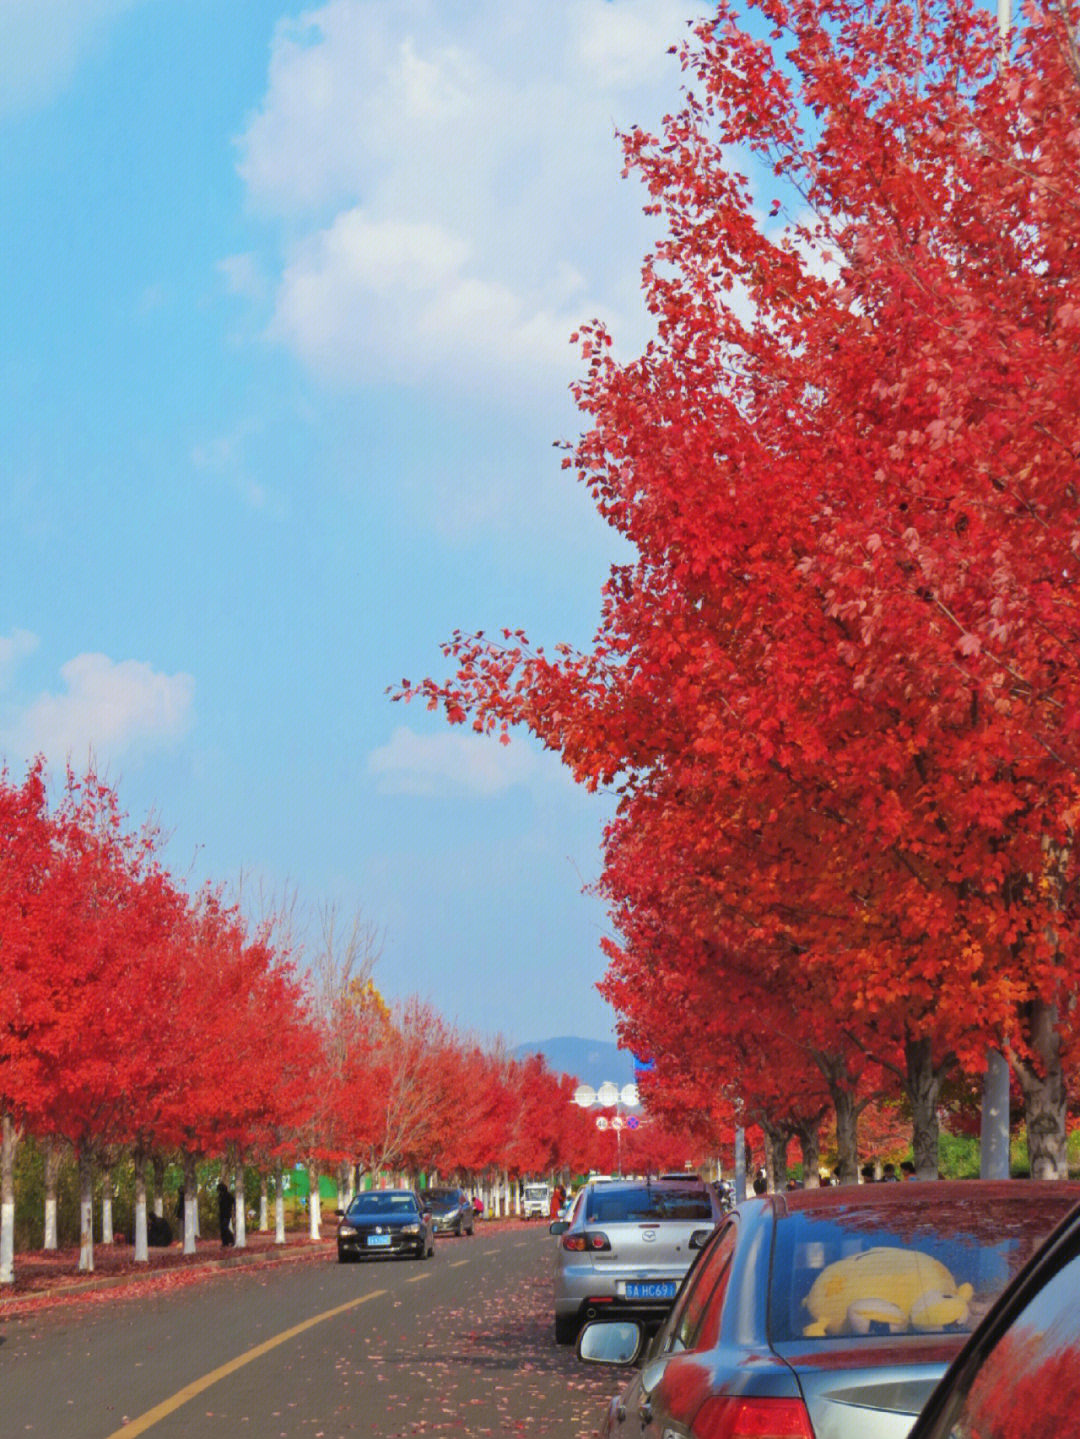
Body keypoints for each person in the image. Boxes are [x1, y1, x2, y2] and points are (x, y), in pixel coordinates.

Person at [217, 1179, 235, 1247]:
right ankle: (225, 1243)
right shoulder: (220, 1196)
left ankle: (231, 1240)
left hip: (227, 1214)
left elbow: (234, 1202)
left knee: (225, 1228)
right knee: (222, 1229)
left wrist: (233, 1210)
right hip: (221, 1214)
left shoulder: (228, 1195)